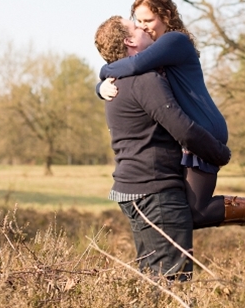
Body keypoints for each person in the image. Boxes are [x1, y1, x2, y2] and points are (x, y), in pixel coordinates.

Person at [97, 0, 245, 255]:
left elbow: (135, 64)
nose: (143, 26)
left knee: (194, 212)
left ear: (165, 16)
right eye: (138, 21)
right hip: (189, 134)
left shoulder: (173, 41)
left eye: (148, 20)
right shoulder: (154, 51)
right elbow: (133, 69)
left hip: (203, 130)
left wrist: (103, 75)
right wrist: (101, 86)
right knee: (187, 214)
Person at [94, 16, 232, 280]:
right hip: (156, 192)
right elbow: (183, 129)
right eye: (136, 26)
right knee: (173, 282)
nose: (144, 28)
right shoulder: (144, 80)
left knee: (154, 280)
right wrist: (219, 153)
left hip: (132, 191)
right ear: (129, 41)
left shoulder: (116, 84)